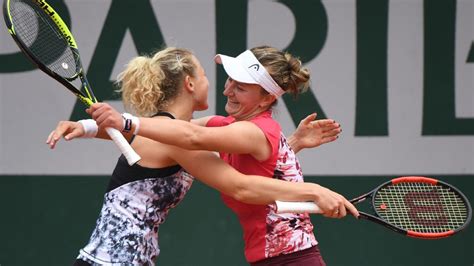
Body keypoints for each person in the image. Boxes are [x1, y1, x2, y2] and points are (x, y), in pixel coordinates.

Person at [46, 47, 358, 266]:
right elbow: (181, 136)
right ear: (190, 84)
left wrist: (117, 122)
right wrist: (89, 126)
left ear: (266, 97)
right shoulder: (193, 132)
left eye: (241, 86)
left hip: (289, 257)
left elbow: (189, 140)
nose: (226, 90)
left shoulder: (231, 132)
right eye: (225, 80)